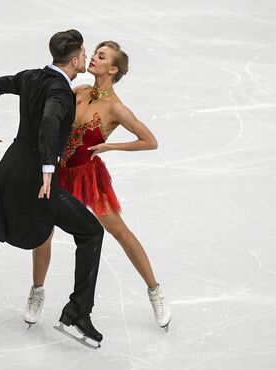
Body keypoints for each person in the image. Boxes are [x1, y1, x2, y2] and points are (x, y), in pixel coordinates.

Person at [0, 29, 105, 348]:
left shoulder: (31, 76)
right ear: (74, 60)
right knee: (91, 232)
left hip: (9, 169)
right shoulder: (60, 91)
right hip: (36, 177)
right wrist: (48, 167)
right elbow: (48, 123)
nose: (87, 57)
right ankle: (77, 313)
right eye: (85, 53)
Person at [23, 41, 171, 332]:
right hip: (60, 173)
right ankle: (37, 291)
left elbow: (150, 141)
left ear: (112, 69)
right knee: (43, 233)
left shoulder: (116, 108)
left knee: (119, 231)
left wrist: (110, 146)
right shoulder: (78, 92)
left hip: (88, 177)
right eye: (94, 53)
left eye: (100, 57)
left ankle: (155, 291)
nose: (92, 58)